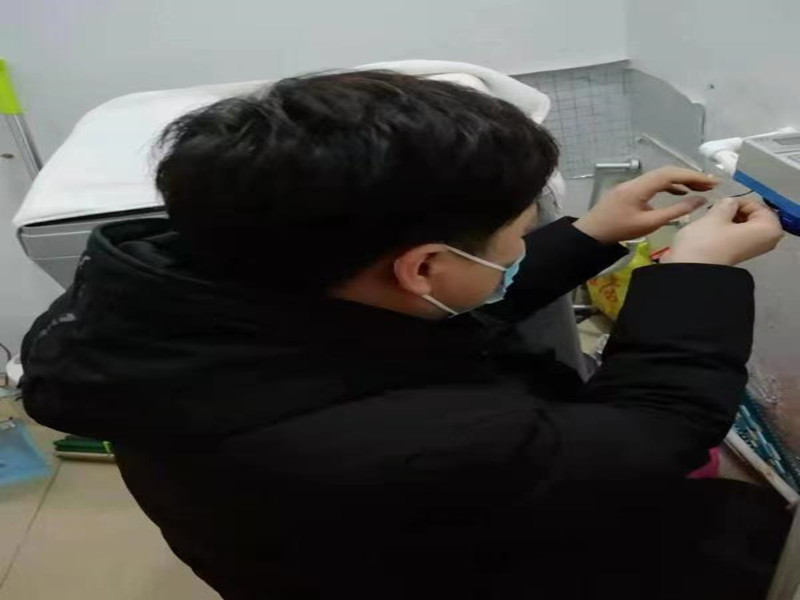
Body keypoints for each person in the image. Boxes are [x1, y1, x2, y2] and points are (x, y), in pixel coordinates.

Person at [20, 71, 789, 599]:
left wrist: (591, 233)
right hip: (430, 572)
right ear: (421, 266)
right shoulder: (422, 441)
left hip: (304, 551)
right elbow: (659, 428)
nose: (519, 247)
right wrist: (696, 272)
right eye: (515, 235)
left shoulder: (175, 302)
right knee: (746, 535)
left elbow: (422, 310)